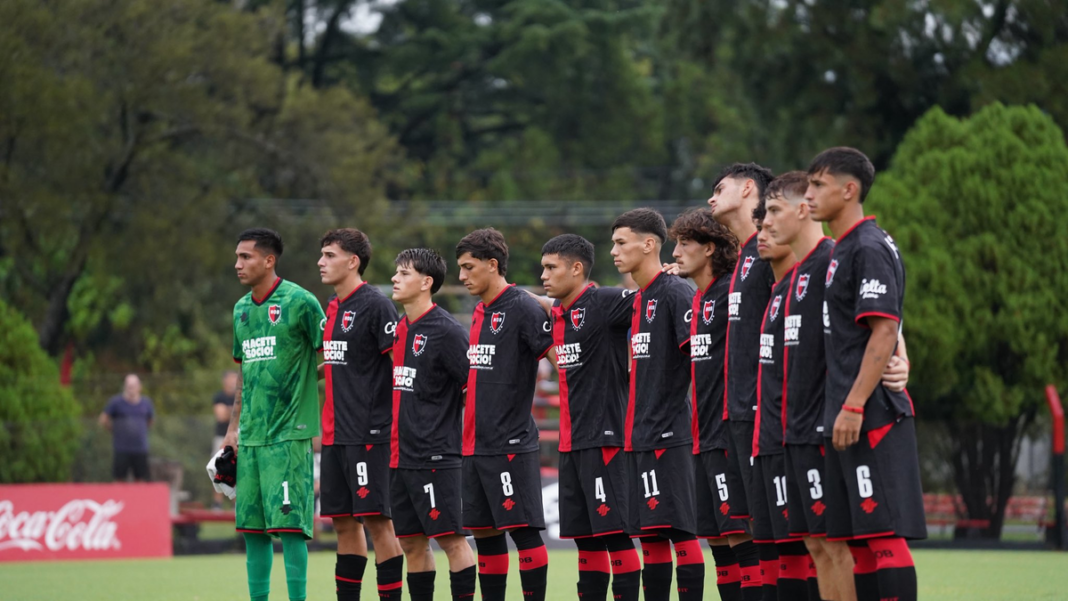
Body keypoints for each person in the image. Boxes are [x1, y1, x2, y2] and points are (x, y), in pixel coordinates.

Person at [805, 147, 926, 601]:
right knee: (858, 539)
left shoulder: (869, 245)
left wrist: (854, 404)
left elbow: (884, 328)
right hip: (844, 414)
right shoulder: (845, 248)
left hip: (871, 413)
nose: (810, 193)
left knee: (882, 533)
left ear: (848, 189)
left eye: (818, 184)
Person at [222, 227, 325, 601]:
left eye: (245, 257)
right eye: (237, 257)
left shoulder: (301, 301)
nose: (238, 264)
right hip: (250, 438)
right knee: (253, 529)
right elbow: (244, 372)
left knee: (291, 527)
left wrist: (304, 380)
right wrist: (232, 430)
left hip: (288, 436)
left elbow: (331, 352)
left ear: (269, 260)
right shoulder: (241, 309)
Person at [537, 234, 642, 601]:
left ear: (577, 268)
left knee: (614, 535)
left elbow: (653, 298)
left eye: (551, 267)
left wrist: (669, 275)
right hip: (572, 443)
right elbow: (543, 303)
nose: (544, 275)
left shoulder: (605, 301)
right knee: (586, 540)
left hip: (605, 439)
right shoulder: (560, 313)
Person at [668, 209, 764, 601]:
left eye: (684, 244)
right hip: (701, 435)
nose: (675, 253)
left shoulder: (731, 293)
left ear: (710, 249)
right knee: (719, 541)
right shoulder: (699, 300)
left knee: (742, 536)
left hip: (729, 433)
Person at [610, 209, 705, 601]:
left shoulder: (676, 291)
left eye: (620, 242)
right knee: (650, 537)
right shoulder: (638, 299)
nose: (613, 251)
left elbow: (698, 362)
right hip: (640, 437)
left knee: (681, 533)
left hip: (672, 435)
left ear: (649, 244)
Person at [456, 228, 553, 601]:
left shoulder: (523, 307)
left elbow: (561, 361)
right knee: (484, 533)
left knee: (523, 532)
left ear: (492, 264)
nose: (462, 276)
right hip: (473, 446)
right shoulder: (481, 311)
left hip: (509, 444)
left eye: (468, 267)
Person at [316, 228, 404, 601]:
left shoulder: (376, 304)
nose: (321, 262)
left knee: (378, 524)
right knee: (342, 524)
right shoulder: (332, 307)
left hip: (370, 434)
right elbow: (344, 363)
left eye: (330, 255)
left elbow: (398, 362)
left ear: (353, 261)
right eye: (321, 255)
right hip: (334, 435)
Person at [388, 248, 477, 601]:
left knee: (451, 540)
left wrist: (442, 429)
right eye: (396, 272)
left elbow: (474, 390)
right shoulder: (399, 328)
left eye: (404, 273)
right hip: (400, 456)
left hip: (436, 456)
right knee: (410, 542)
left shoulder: (447, 332)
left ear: (426, 283)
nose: (395, 278)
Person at [707, 162, 779, 598]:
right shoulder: (744, 258)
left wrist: (896, 347)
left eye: (719, 189)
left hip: (763, 413)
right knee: (752, 530)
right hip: (735, 414)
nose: (711, 198)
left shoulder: (772, 249)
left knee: (778, 531)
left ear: (749, 188)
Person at [748, 183, 813, 600]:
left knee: (819, 545)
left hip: (807, 437)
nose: (764, 232)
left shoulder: (820, 270)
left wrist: (899, 352)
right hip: (768, 437)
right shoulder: (776, 293)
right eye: (761, 222)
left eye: (772, 217)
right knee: (774, 547)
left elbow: (879, 320)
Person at [99, 374, 154, 482]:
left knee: (141, 479)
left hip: (140, 449)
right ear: (125, 386)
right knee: (119, 479)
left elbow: (150, 421)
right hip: (121, 449)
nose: (131, 389)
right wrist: (113, 430)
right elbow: (103, 419)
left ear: (139, 387)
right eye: (129, 386)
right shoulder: (116, 403)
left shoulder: (146, 403)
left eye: (133, 386)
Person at [212, 370, 239, 508]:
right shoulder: (219, 396)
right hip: (222, 437)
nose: (233, 382)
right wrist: (234, 412)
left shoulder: (239, 397)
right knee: (218, 468)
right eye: (231, 379)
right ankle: (217, 503)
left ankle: (236, 503)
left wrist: (229, 410)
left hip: (237, 438)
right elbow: (221, 416)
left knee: (235, 469)